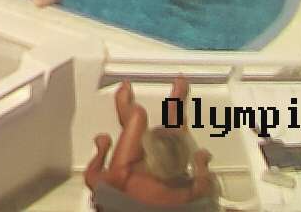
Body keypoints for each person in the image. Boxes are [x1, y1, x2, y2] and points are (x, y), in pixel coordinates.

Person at [85, 77, 217, 207]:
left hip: (129, 187)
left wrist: (102, 150)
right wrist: (201, 164)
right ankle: (174, 111)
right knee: (171, 143)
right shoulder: (192, 192)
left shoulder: (124, 179)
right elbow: (205, 182)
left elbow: (91, 178)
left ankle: (130, 115)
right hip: (166, 183)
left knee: (138, 115)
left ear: (146, 161)